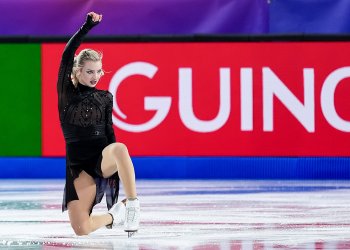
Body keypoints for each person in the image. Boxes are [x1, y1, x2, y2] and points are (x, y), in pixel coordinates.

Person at [57, 11, 140, 237]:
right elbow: (66, 56)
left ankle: (132, 205)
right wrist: (86, 27)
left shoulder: (105, 97)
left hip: (101, 157)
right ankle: (117, 214)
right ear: (78, 71)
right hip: (77, 165)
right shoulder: (66, 94)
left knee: (120, 148)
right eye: (89, 71)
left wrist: (112, 174)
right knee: (81, 229)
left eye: (98, 71)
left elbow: (109, 132)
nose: (95, 76)